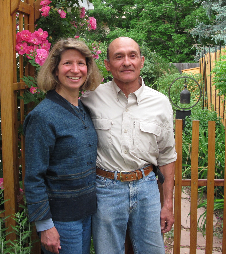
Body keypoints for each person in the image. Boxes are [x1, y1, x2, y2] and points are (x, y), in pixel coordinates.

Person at [81, 37, 177, 254]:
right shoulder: (90, 98)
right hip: (105, 189)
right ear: (107, 64)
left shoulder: (160, 103)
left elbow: (167, 156)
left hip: (147, 188)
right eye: (119, 56)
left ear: (141, 61)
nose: (127, 62)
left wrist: (168, 204)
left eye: (132, 56)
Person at [23, 38, 102, 254]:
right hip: (60, 220)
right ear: (55, 69)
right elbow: (33, 177)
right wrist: (45, 225)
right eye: (68, 63)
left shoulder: (83, 108)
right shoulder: (42, 116)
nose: (75, 70)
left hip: (86, 213)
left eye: (81, 63)